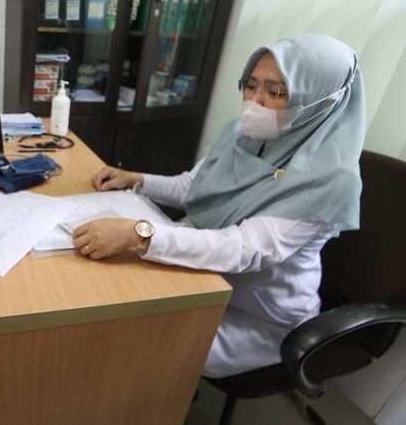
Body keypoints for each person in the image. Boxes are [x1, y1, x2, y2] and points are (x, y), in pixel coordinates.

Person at [73, 34, 364, 378]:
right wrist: (136, 178)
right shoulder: (244, 135)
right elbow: (192, 188)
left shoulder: (328, 181)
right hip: (202, 276)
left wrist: (141, 235)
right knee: (105, 298)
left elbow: (244, 250)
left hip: (257, 317)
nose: (255, 102)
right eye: (251, 85)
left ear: (320, 100)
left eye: (276, 92)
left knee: (137, 345)